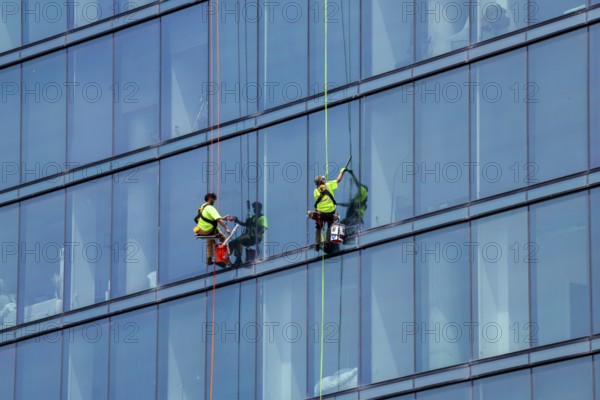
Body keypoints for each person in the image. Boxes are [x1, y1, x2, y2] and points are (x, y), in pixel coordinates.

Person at [309, 167, 347, 252]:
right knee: (330, 226)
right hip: (330, 213)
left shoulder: (315, 191)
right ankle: (327, 243)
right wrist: (341, 171)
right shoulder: (329, 185)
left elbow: (321, 193)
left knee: (318, 227)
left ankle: (317, 244)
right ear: (321, 181)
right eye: (323, 179)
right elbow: (338, 180)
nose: (324, 180)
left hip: (320, 214)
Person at [194, 192, 231, 264]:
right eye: (213, 199)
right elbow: (218, 219)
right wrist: (226, 228)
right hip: (209, 229)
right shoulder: (210, 208)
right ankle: (227, 258)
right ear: (210, 198)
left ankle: (209, 259)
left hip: (201, 230)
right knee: (224, 239)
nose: (214, 201)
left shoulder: (201, 207)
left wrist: (223, 218)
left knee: (209, 240)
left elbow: (207, 218)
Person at [230, 201, 268, 265]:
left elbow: (263, 228)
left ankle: (238, 259)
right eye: (254, 208)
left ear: (260, 209)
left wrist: (257, 235)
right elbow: (245, 224)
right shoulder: (252, 217)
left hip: (254, 237)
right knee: (232, 243)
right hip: (249, 236)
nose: (255, 209)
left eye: (256, 208)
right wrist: (237, 221)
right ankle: (226, 258)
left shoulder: (262, 218)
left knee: (238, 240)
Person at [338, 170, 368, 242]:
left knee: (344, 227)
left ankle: (342, 240)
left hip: (355, 219)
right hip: (352, 218)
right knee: (342, 226)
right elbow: (348, 204)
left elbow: (358, 184)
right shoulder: (357, 199)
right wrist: (338, 203)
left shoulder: (363, 193)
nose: (357, 192)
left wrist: (352, 175)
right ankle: (343, 240)